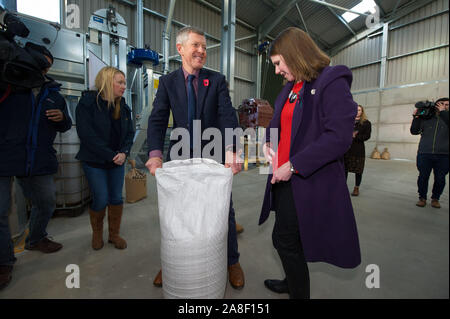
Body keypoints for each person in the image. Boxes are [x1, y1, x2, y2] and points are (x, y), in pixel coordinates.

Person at [260, 27, 361, 299]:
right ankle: (290, 281)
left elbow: (339, 138)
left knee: (287, 240)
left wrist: (293, 165)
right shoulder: (291, 88)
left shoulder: (331, 80)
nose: (278, 71)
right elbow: (276, 121)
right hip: (283, 178)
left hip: (306, 179)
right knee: (287, 238)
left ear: (295, 55)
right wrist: (270, 140)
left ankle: (298, 293)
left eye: (279, 63)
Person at [145, 26, 245, 289]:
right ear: (180, 49)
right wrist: (155, 154)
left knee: (224, 209)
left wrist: (231, 149)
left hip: (213, 156)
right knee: (176, 213)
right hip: (178, 156)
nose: (202, 51)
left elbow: (227, 115)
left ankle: (232, 261)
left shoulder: (216, 80)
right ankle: (172, 262)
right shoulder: (168, 82)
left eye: (204, 46)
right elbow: (157, 119)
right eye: (196, 46)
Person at [0, 44, 72, 290]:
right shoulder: (7, 85)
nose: (43, 71)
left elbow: (66, 125)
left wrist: (62, 119)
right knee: (0, 210)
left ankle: (36, 237)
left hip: (39, 159)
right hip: (5, 155)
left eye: (47, 67)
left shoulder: (54, 94)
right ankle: (4, 262)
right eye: (40, 65)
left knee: (46, 200)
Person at [75, 66, 135, 250]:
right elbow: (87, 136)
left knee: (116, 198)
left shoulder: (123, 107)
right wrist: (112, 155)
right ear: (107, 82)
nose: (124, 86)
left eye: (124, 82)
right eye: (120, 82)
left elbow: (129, 134)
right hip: (95, 161)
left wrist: (124, 152)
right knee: (101, 198)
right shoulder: (87, 104)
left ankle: (114, 235)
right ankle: (97, 234)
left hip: (117, 161)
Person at [410, 97, 449, 208]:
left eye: (447, 105)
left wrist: (443, 113)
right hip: (425, 152)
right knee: (423, 176)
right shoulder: (427, 117)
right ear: (436, 105)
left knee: (440, 178)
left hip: (444, 155)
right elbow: (414, 131)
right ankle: (422, 197)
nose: (444, 106)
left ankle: (435, 198)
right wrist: (416, 118)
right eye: (442, 104)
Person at [344, 105, 372, 196]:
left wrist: (355, 136)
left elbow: (367, 136)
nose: (357, 111)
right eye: (355, 109)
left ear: (362, 111)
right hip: (347, 149)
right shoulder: (348, 121)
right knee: (345, 169)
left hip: (358, 150)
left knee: (358, 170)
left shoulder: (366, 123)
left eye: (359, 110)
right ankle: (343, 188)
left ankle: (356, 188)